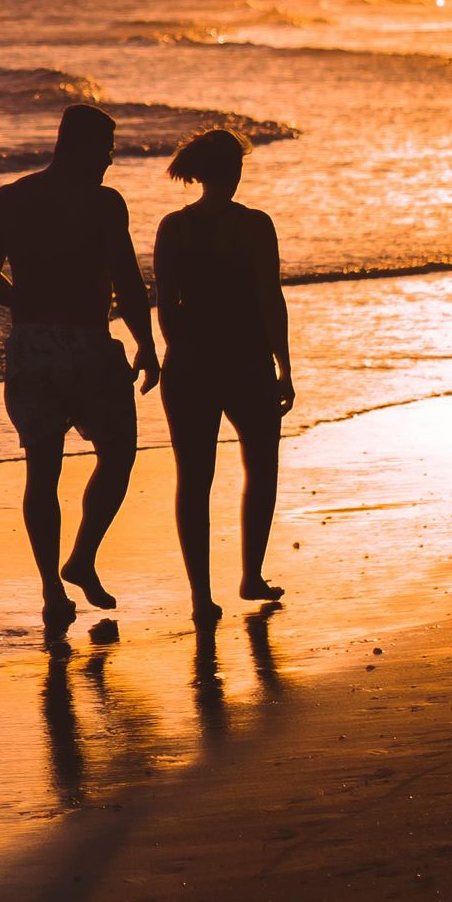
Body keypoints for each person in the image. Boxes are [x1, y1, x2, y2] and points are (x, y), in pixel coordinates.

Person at [0, 103, 160, 639]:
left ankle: (65, 578)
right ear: (79, 147)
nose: (110, 159)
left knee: (55, 466)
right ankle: (68, 572)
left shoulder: (12, 198)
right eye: (106, 149)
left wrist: (22, 305)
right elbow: (126, 279)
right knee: (110, 455)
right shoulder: (101, 204)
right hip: (79, 345)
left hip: (37, 348)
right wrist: (145, 343)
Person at [154, 127, 294, 629]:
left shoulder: (174, 227)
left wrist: (179, 352)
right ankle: (250, 576)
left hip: (189, 363)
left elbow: (165, 304)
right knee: (261, 468)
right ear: (228, 172)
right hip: (246, 360)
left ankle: (201, 596)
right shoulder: (255, 225)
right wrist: (284, 364)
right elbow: (268, 298)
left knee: (194, 479)